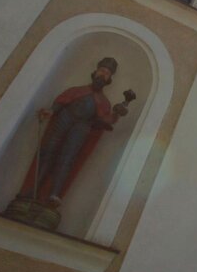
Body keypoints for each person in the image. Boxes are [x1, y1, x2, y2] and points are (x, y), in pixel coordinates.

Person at [16, 57, 134, 207]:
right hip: (64, 119)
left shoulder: (104, 102)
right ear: (95, 72)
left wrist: (118, 112)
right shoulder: (77, 90)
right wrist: (51, 111)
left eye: (107, 73)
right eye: (101, 70)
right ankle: (32, 189)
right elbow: (61, 101)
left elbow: (106, 119)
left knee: (67, 158)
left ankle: (53, 194)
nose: (103, 74)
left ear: (109, 79)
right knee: (48, 152)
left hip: (82, 127)